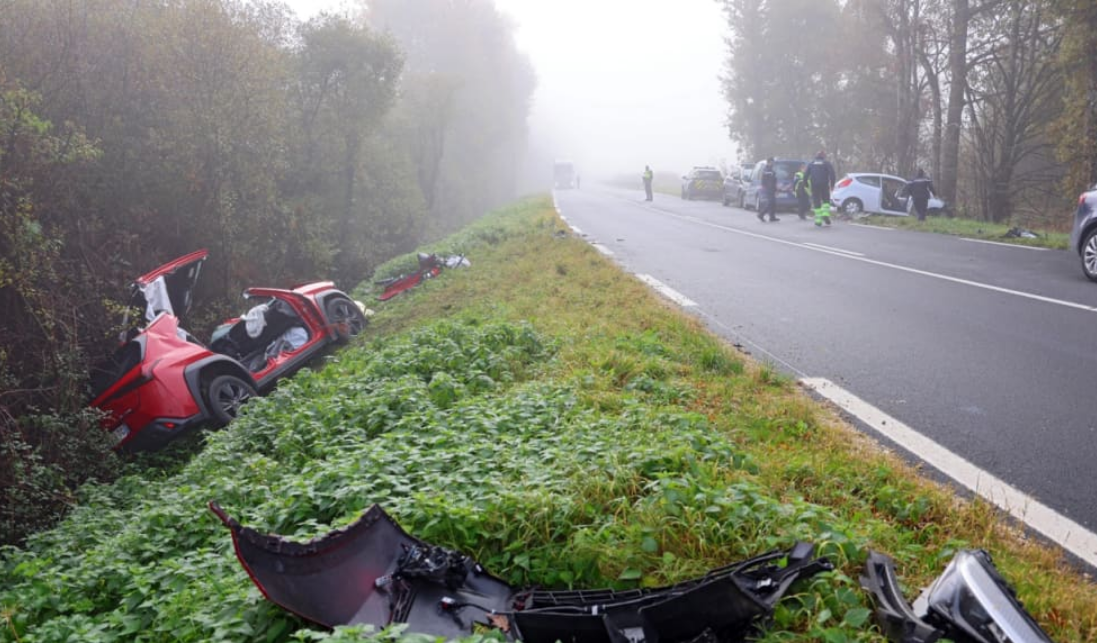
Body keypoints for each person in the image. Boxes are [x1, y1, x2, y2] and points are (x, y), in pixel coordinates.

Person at [805, 150, 836, 226]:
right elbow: (832, 174)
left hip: (814, 185)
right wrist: (832, 185)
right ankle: (825, 214)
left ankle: (818, 220)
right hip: (824, 184)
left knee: (816, 201)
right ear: (823, 157)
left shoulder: (811, 164)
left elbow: (806, 175)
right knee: (826, 200)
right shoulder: (826, 163)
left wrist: (805, 184)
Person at [758, 158, 778, 222]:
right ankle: (761, 214)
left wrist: (776, 189)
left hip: (772, 188)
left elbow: (774, 180)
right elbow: (764, 180)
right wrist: (765, 187)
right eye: (772, 162)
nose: (773, 163)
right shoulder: (766, 170)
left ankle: (772, 217)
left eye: (773, 162)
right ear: (769, 162)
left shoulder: (771, 170)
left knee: (773, 203)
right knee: (770, 202)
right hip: (768, 188)